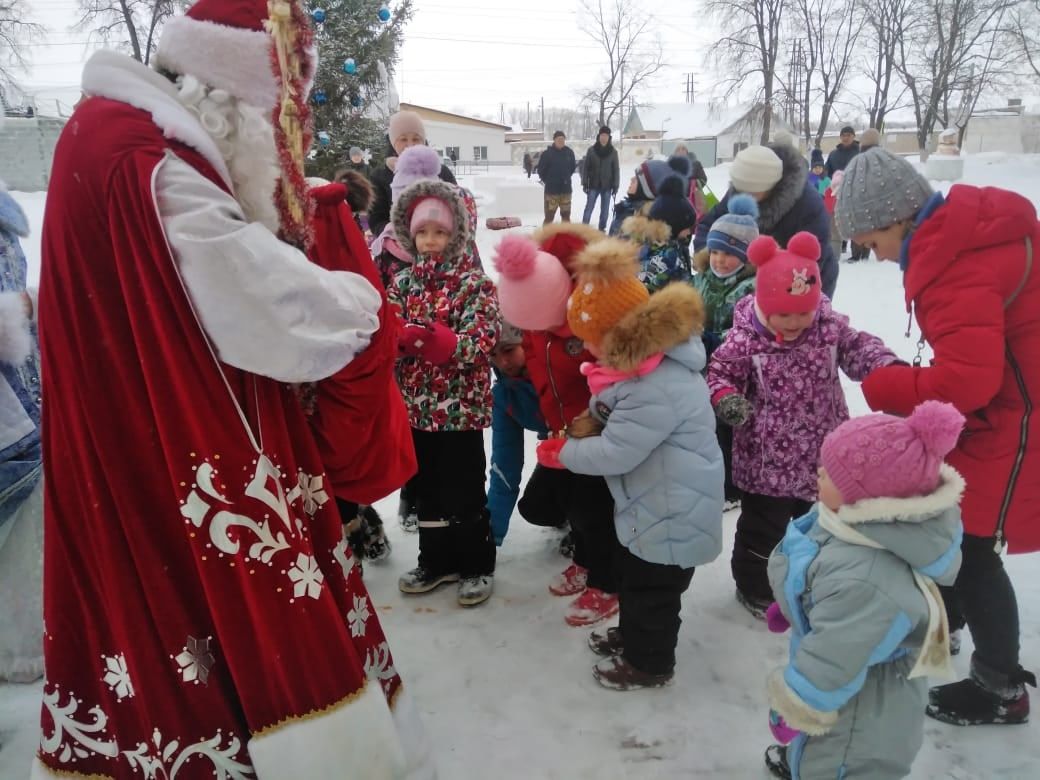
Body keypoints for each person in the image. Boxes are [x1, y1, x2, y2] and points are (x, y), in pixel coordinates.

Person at [35, 1, 433, 776]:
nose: (290, 147)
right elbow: (269, 309)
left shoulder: (108, 133)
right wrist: (364, 309)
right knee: (229, 638)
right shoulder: (148, 162)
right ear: (237, 103)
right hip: (173, 446)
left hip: (127, 434)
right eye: (284, 118)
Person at [836, 147, 1040, 725]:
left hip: (1015, 419)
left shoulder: (956, 264)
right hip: (1008, 410)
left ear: (896, 218)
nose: (872, 253)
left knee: (973, 545)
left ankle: (1000, 687)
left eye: (872, 241)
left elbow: (970, 381)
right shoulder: (967, 237)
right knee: (950, 528)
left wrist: (890, 385)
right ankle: (942, 626)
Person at [536, 241, 724, 690]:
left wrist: (565, 455)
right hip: (657, 502)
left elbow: (618, 451)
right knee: (638, 580)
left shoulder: (654, 384)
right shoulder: (640, 368)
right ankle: (636, 635)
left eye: (592, 340)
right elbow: (613, 412)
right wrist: (589, 422)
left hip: (673, 511)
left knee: (652, 592)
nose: (587, 350)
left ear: (619, 334)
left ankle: (650, 663)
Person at [763, 402, 965, 780]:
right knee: (818, 756)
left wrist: (795, 706)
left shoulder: (868, 578)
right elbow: (818, 563)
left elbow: (836, 656)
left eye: (832, 474)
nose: (819, 472)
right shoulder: (853, 525)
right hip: (848, 685)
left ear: (868, 499)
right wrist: (796, 604)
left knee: (840, 766)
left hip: (861, 712)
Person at [707, 232, 898, 619]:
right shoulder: (746, 340)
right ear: (763, 304)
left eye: (802, 313)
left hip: (822, 454)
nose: (795, 323)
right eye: (784, 314)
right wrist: (726, 398)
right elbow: (720, 372)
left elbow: (858, 346)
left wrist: (886, 368)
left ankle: (806, 577)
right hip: (767, 460)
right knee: (764, 528)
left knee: (814, 526)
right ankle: (755, 585)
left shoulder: (828, 329)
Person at [494, 225, 622, 626]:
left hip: (598, 434)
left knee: (596, 510)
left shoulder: (592, 319)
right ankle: (584, 560)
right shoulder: (537, 319)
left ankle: (608, 581)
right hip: (561, 430)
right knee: (571, 504)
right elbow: (537, 365)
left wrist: (594, 425)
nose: (539, 332)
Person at [389, 175, 499, 606]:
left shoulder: (474, 285)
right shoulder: (401, 285)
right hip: (417, 411)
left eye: (439, 232)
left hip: (461, 412)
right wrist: (398, 340)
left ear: (455, 236)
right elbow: (388, 330)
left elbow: (481, 340)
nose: (430, 241)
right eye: (422, 233)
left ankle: (475, 563)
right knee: (428, 492)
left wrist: (442, 342)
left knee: (465, 489)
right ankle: (435, 560)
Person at [304, 178, 416, 567]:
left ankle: (353, 528)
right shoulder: (352, 260)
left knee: (331, 468)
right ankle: (358, 524)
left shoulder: (327, 262)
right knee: (337, 469)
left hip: (329, 396)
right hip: (340, 394)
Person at [694, 142, 839, 300]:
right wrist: (710, 257)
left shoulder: (807, 204)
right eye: (740, 190)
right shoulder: (741, 190)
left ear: (771, 186)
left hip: (804, 280)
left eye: (751, 192)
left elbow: (813, 256)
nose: (745, 196)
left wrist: (780, 291)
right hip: (748, 281)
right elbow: (709, 225)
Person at [0, 180, 42, 684]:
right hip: (15, 411)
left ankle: (26, 649)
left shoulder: (7, 218)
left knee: (26, 533)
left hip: (21, 406)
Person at [692, 194, 759, 507]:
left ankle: (732, 487)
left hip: (737, 372)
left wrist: (715, 340)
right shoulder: (701, 280)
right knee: (702, 423)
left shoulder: (751, 287)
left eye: (729, 254)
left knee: (727, 427)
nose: (720, 259)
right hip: (701, 367)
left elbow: (749, 330)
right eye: (715, 251)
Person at [487, 322, 549, 546]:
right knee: (536, 508)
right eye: (494, 354)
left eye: (509, 350)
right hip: (558, 450)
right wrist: (489, 535)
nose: (503, 362)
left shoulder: (555, 370)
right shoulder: (504, 395)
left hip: (597, 450)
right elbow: (505, 464)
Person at [369, 110, 457, 236]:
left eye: (416, 138)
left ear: (423, 140)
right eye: (403, 139)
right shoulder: (380, 176)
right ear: (393, 142)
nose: (410, 144)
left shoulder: (440, 171)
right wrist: (394, 233)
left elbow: (457, 207)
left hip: (437, 244)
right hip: (398, 248)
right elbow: (376, 220)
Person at [619, 171, 697, 293]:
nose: (689, 232)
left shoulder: (651, 244)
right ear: (674, 226)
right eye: (687, 227)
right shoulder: (669, 259)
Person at [609, 155, 691, 236]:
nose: (632, 179)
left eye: (637, 179)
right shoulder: (628, 208)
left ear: (646, 189)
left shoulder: (644, 221)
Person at [581, 125, 620, 232]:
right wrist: (584, 182)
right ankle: (583, 229)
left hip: (607, 186)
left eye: (606, 136)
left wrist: (616, 185)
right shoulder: (591, 150)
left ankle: (601, 229)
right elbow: (585, 168)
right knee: (589, 208)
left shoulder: (613, 152)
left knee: (605, 211)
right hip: (593, 185)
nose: (604, 137)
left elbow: (616, 169)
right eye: (602, 135)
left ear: (609, 137)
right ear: (599, 136)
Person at [537, 130, 578, 224]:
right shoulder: (547, 154)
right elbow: (541, 170)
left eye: (563, 139)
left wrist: (566, 177)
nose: (561, 141)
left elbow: (572, 168)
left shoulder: (569, 153)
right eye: (559, 139)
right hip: (551, 192)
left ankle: (565, 236)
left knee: (566, 217)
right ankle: (546, 237)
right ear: (554, 140)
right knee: (549, 218)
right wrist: (549, 180)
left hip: (566, 191)